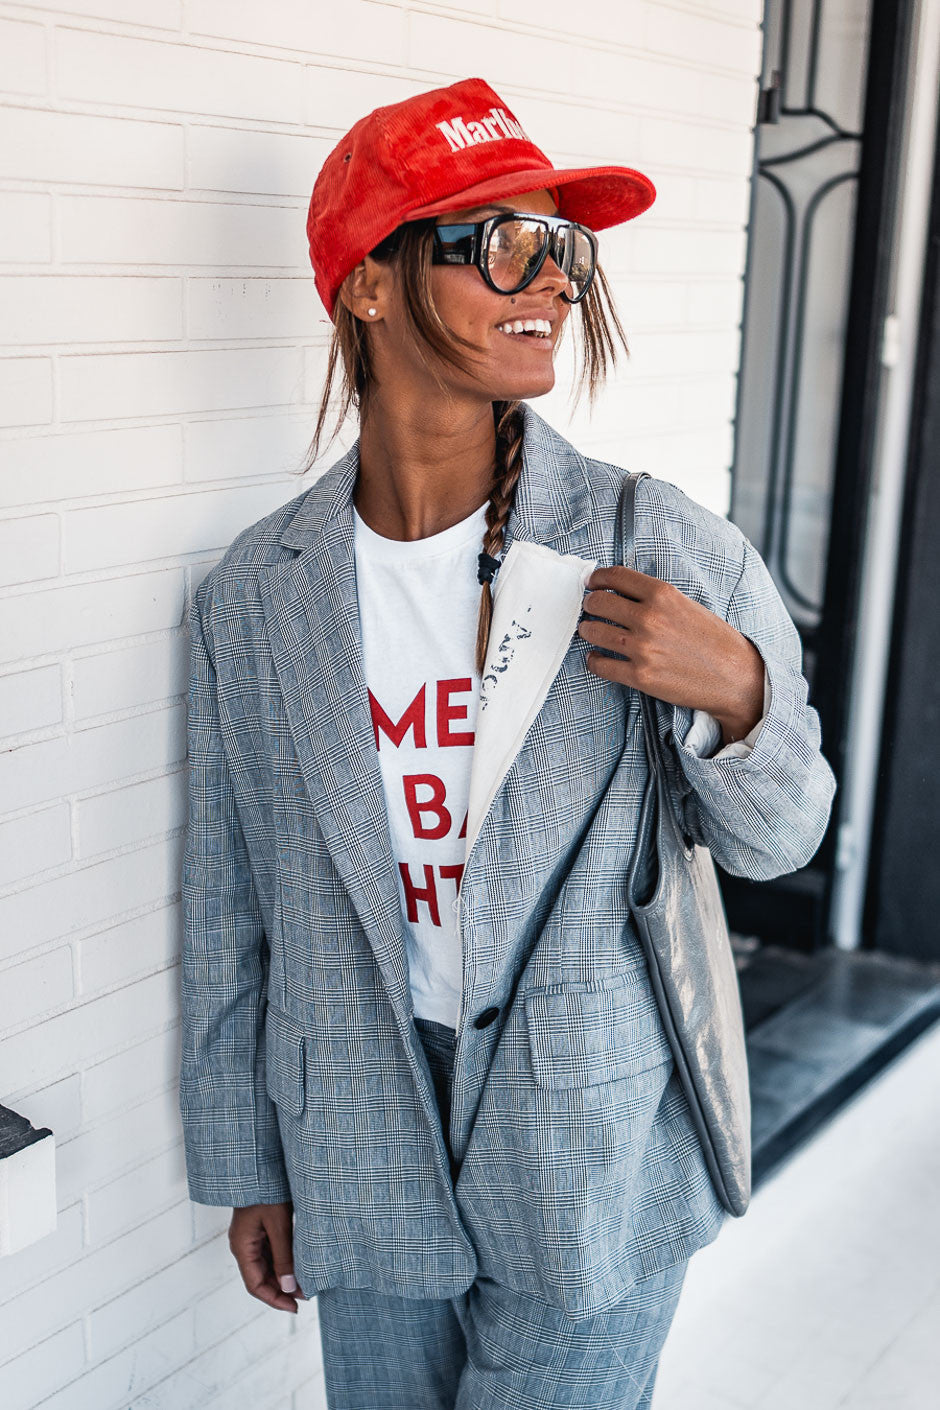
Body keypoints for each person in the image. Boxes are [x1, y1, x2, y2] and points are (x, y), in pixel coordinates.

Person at [179, 76, 837, 1410]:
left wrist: (738, 692)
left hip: (589, 1147)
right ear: (370, 285)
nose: (549, 280)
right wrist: (246, 1155)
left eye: (562, 248)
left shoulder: (657, 544)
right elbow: (230, 894)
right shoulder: (258, 594)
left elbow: (786, 837)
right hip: (357, 1135)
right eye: (497, 242)